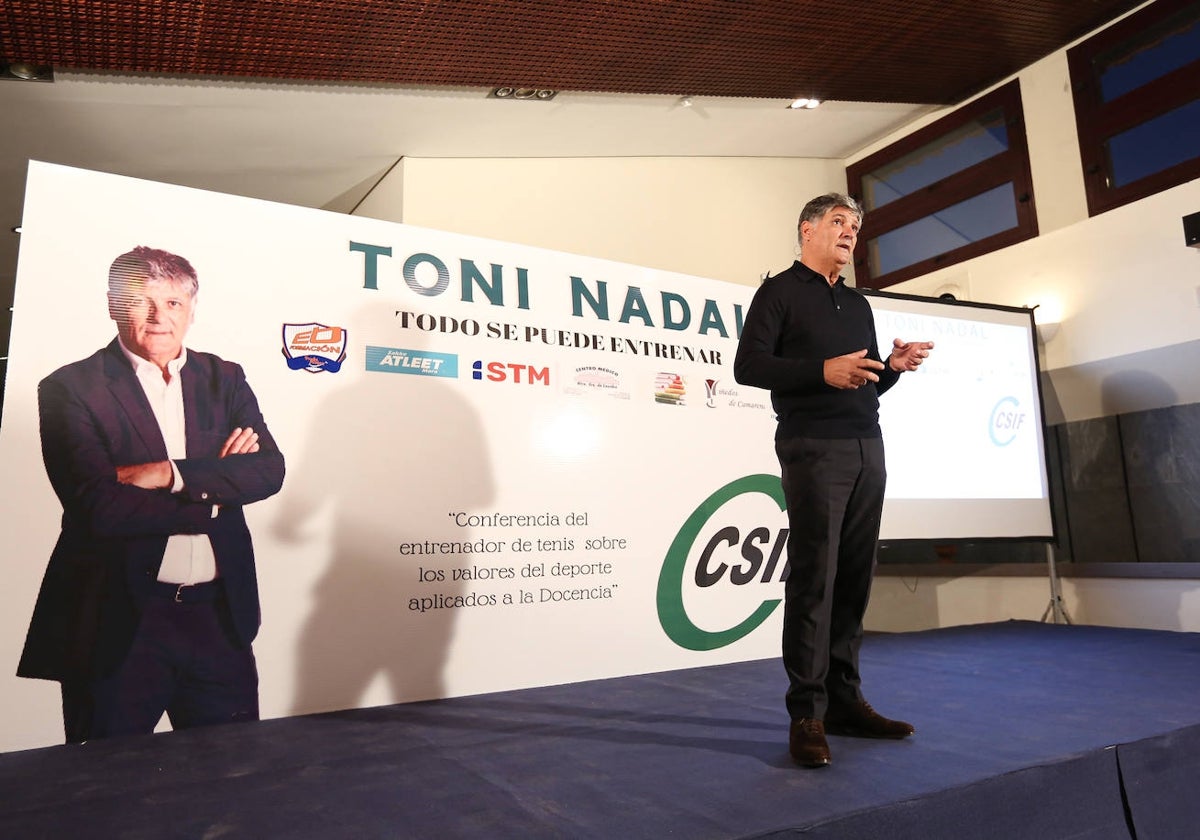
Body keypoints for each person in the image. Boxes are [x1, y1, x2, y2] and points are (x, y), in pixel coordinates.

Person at [17, 246, 286, 743]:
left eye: (174, 303)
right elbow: (99, 508)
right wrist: (215, 490)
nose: (160, 317)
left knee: (234, 777)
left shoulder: (223, 377)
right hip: (118, 622)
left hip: (217, 621)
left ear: (191, 309)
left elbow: (268, 470)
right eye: (142, 302)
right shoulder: (71, 388)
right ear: (114, 306)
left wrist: (166, 474)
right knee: (104, 789)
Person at [733, 194, 933, 768]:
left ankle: (845, 701)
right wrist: (822, 370)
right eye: (839, 222)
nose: (850, 232)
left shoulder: (856, 302)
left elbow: (861, 384)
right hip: (813, 448)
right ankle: (808, 714)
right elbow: (748, 366)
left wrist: (888, 370)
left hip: (868, 446)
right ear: (808, 230)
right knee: (815, 580)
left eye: (856, 226)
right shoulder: (779, 292)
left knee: (853, 581)